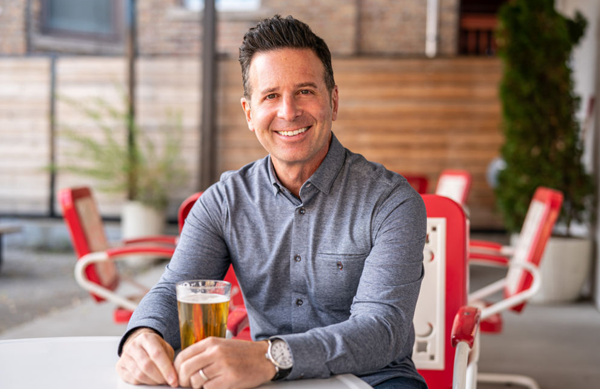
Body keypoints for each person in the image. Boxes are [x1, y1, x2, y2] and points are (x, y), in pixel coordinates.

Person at [116, 15, 427, 389]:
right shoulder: (223, 202)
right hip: (267, 382)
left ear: (333, 100)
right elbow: (174, 289)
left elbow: (382, 329)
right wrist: (142, 335)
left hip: (375, 380)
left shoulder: (391, 201)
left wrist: (271, 356)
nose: (288, 112)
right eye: (270, 96)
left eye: (305, 91)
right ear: (250, 113)